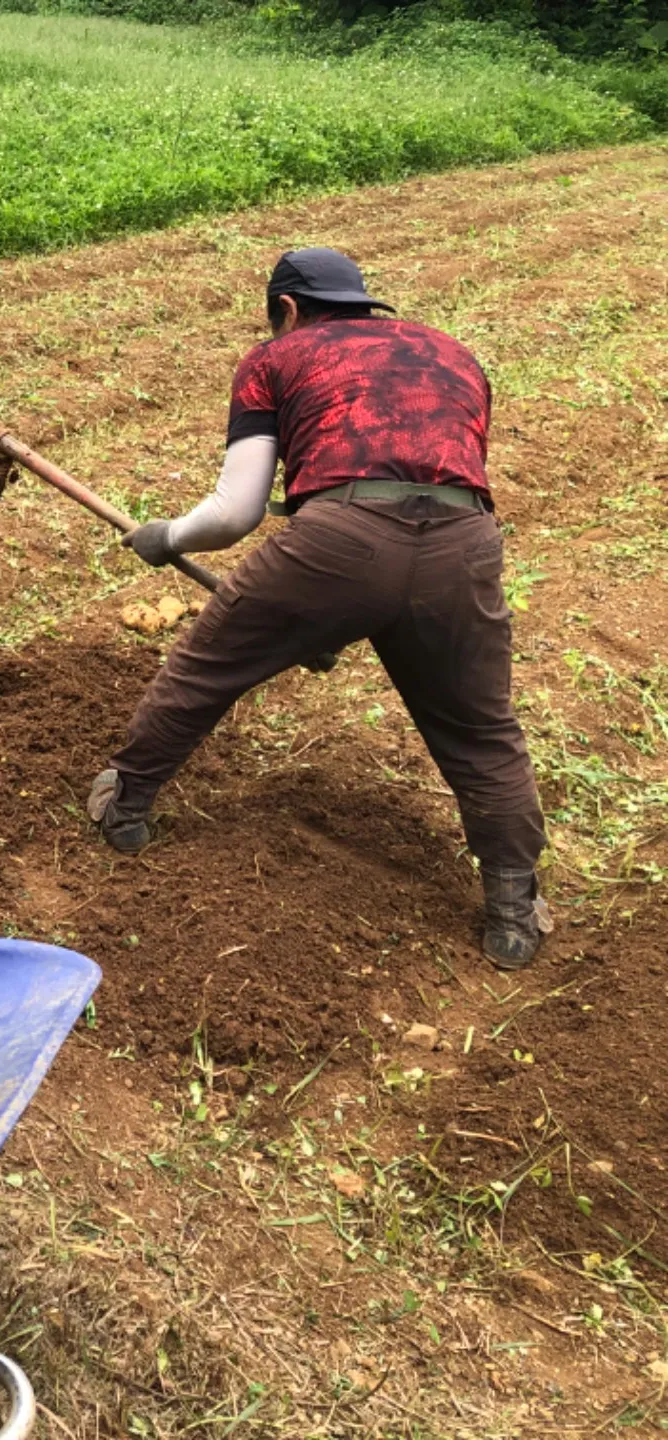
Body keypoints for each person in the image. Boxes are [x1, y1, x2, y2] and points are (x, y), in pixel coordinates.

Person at [87, 247, 550, 969]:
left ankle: (123, 806)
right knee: (481, 731)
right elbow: (427, 469)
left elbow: (236, 512)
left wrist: (165, 537)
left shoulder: (277, 358)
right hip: (465, 546)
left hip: (340, 541)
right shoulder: (452, 354)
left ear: (290, 310)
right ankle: (515, 910)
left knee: (205, 668)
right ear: (361, 302)